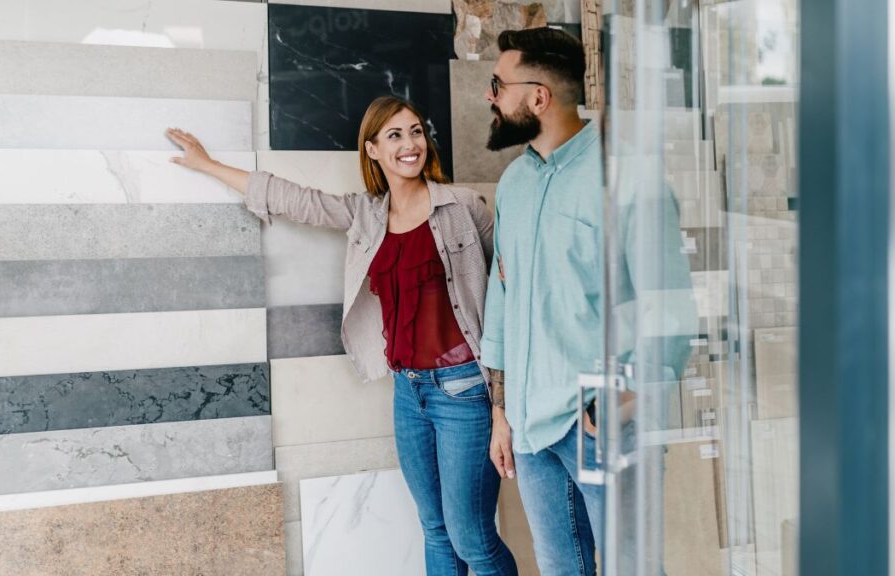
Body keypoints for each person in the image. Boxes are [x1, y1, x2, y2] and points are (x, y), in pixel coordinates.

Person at [167, 95, 518, 576]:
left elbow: (505, 300)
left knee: (472, 539)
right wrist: (209, 165)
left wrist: (503, 404)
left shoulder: (462, 207)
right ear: (372, 150)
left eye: (415, 131)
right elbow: (295, 200)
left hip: (464, 390)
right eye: (394, 135)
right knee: (434, 528)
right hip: (408, 391)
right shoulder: (367, 217)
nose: (409, 144)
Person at [480, 27, 694, 576]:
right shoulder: (513, 185)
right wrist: (502, 412)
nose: (491, 97)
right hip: (530, 432)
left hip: (599, 424)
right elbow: (502, 302)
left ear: (539, 96)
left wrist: (625, 399)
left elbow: (669, 310)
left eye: (498, 84)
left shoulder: (628, 177)